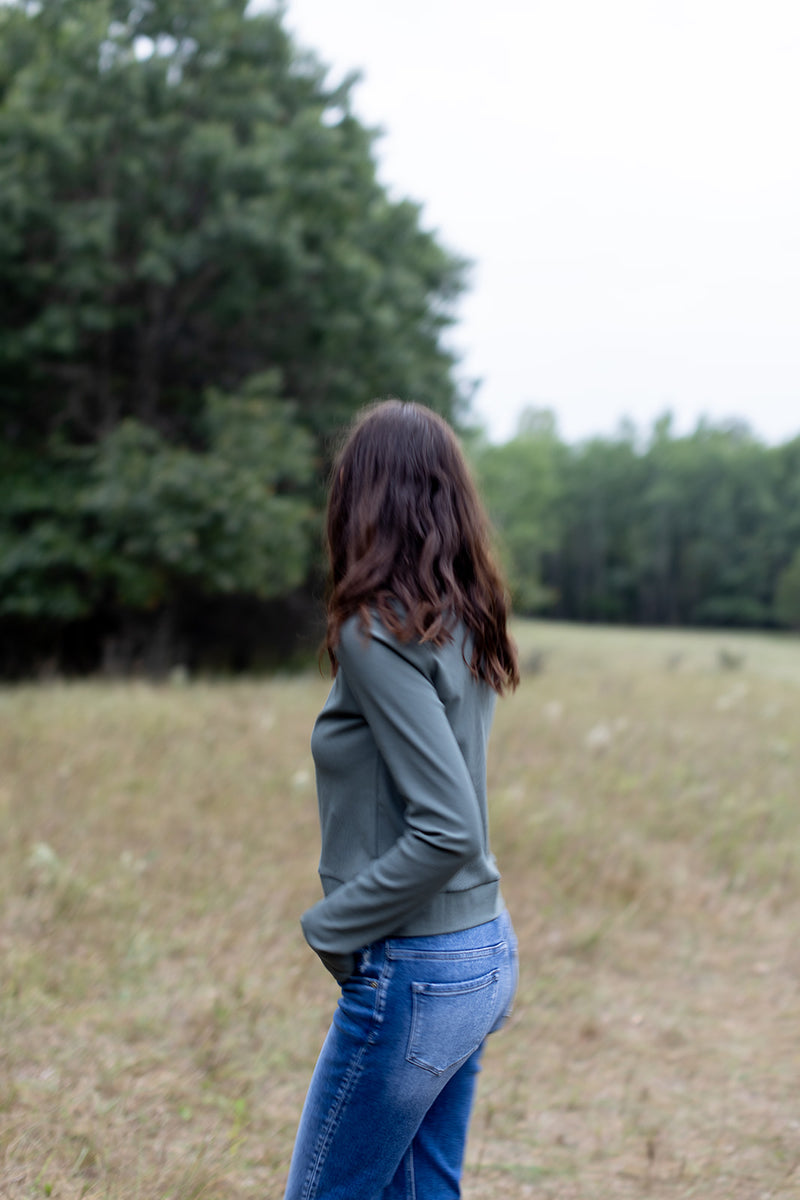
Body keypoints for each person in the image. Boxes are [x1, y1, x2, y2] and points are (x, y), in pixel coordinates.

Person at [284, 399, 520, 1200]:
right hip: (481, 949)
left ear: (363, 499)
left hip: (419, 967)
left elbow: (447, 827)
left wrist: (332, 925)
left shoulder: (375, 629)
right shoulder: (463, 619)